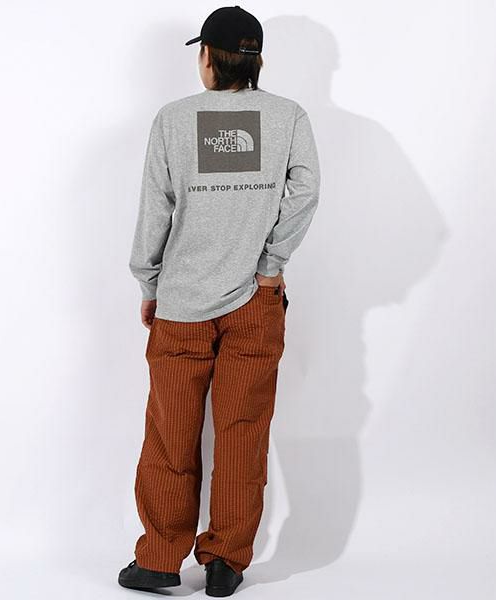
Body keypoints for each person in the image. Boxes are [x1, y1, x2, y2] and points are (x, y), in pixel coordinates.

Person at [118, 5, 320, 596]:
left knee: (170, 434)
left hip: (181, 303)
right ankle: (226, 561)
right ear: (257, 60)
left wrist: (149, 283)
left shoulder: (173, 119)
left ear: (207, 56)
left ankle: (160, 560)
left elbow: (156, 207)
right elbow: (306, 191)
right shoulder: (288, 116)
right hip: (256, 303)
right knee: (242, 430)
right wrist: (270, 265)